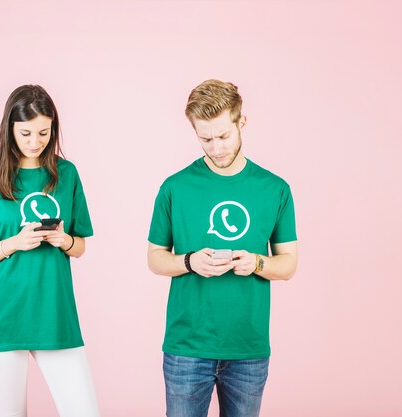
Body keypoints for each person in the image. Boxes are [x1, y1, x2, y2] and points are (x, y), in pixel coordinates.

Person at [147, 79, 298, 417]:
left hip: (248, 349)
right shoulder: (175, 187)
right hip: (187, 348)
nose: (216, 148)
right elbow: (155, 258)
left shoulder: (275, 189)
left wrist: (258, 263)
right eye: (205, 138)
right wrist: (189, 262)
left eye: (223, 136)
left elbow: (288, 264)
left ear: (241, 122)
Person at [0, 85, 100, 417]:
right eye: (25, 133)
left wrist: (63, 240)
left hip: (54, 313)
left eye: (43, 132)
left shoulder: (66, 174)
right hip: (3, 317)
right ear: (9, 129)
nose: (35, 141)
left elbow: (79, 246)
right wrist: (14, 243)